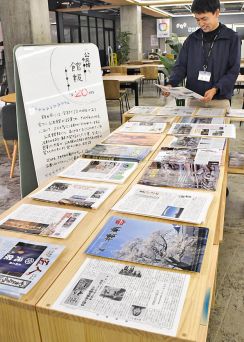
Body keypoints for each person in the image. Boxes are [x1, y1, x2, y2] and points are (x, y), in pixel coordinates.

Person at [163, 0, 241, 110]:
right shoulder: (192, 39)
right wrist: (171, 84)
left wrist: (216, 89)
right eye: (197, 19)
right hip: (194, 100)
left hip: (219, 101)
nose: (201, 23)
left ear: (217, 13)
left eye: (204, 18)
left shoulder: (231, 38)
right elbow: (181, 66)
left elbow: (233, 70)